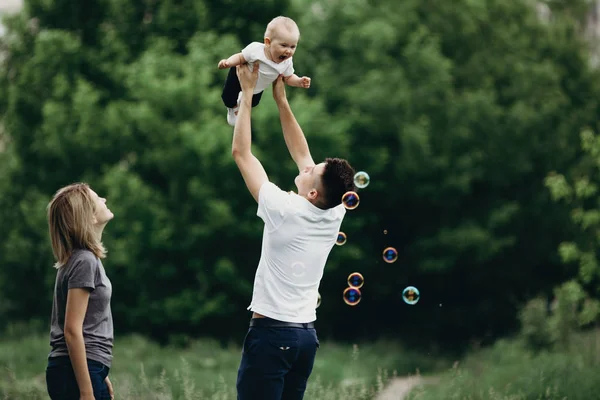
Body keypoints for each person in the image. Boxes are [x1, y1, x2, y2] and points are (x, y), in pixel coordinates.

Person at [231, 62, 356, 400]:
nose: (308, 164)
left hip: (271, 334)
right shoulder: (335, 211)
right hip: (304, 339)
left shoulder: (283, 208)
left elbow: (241, 153)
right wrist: (281, 100)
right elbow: (302, 154)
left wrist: (246, 94)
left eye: (313, 170)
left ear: (313, 192)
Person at [45, 183, 115, 400]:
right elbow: (72, 330)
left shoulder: (83, 258)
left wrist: (101, 373)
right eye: (97, 199)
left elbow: (87, 324)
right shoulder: (84, 260)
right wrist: (86, 392)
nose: (104, 199)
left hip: (85, 368)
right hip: (73, 373)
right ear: (90, 218)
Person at [218, 16, 311, 126]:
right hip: (239, 77)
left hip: (257, 87)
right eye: (284, 45)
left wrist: (299, 81)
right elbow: (240, 57)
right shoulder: (256, 50)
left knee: (254, 102)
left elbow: (288, 77)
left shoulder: (287, 62)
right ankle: (232, 107)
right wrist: (228, 62)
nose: (288, 51)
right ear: (268, 42)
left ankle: (242, 100)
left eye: (293, 47)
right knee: (228, 98)